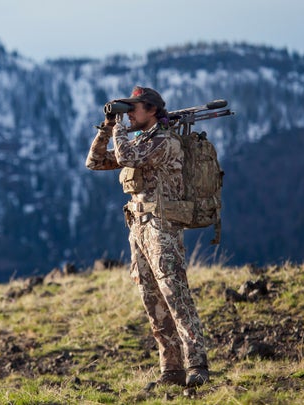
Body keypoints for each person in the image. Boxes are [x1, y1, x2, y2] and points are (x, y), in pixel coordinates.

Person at [85, 86, 209, 387]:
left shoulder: (164, 142)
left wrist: (118, 129)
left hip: (163, 226)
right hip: (139, 227)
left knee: (174, 294)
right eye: (126, 109)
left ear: (152, 110)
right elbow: (95, 161)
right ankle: (171, 369)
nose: (128, 114)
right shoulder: (141, 140)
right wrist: (106, 128)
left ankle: (197, 365)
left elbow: (126, 156)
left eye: (133, 108)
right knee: (151, 299)